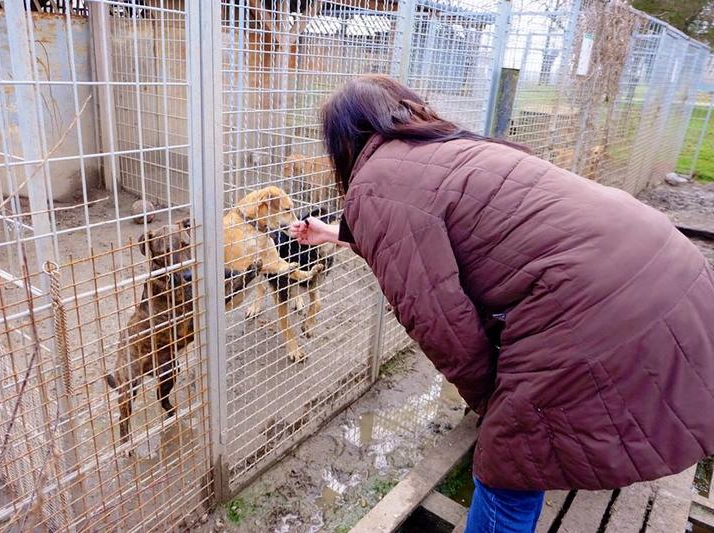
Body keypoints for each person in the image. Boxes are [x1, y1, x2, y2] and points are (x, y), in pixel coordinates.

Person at [290, 75, 714, 532]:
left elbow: (442, 327)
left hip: (598, 311)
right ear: (403, 109)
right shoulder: (455, 145)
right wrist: (337, 232)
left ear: (343, 140)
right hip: (671, 268)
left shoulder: (373, 184)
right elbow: (440, 220)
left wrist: (492, 405)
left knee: (512, 457)